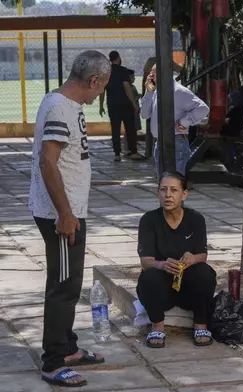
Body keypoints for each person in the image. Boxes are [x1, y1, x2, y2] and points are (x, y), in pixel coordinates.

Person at [29, 50, 111, 388]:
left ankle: (68, 348)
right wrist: (64, 213)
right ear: (94, 81)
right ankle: (53, 361)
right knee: (63, 288)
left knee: (71, 284)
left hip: (71, 212)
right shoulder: (60, 106)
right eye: (101, 87)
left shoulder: (68, 105)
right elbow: (48, 163)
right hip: (60, 215)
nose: (99, 94)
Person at [136, 172, 217, 348]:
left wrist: (192, 258)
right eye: (163, 190)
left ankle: (200, 325)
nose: (168, 195)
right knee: (148, 276)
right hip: (161, 289)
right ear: (158, 193)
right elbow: (146, 261)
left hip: (188, 288)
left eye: (174, 190)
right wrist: (162, 264)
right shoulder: (149, 220)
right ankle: (157, 326)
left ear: (184, 194)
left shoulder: (196, 219)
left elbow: (202, 255)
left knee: (205, 272)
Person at [140, 64, 210, 177]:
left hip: (176, 142)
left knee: (175, 181)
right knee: (162, 182)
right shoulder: (156, 92)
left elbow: (203, 109)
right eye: (151, 74)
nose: (151, 77)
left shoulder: (179, 91)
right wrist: (148, 92)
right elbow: (144, 114)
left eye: (153, 74)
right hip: (159, 142)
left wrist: (183, 122)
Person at [99, 51, 141, 161]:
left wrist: (100, 105)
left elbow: (102, 90)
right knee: (130, 128)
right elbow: (127, 87)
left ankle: (117, 154)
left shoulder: (106, 72)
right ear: (118, 58)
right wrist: (133, 103)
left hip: (112, 104)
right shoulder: (123, 71)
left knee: (115, 129)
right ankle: (133, 152)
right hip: (125, 104)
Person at [128, 69, 143, 135]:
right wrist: (138, 97)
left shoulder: (133, 87)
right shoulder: (128, 88)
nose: (134, 78)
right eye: (132, 77)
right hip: (130, 110)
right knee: (130, 128)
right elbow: (130, 99)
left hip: (135, 110)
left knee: (134, 128)